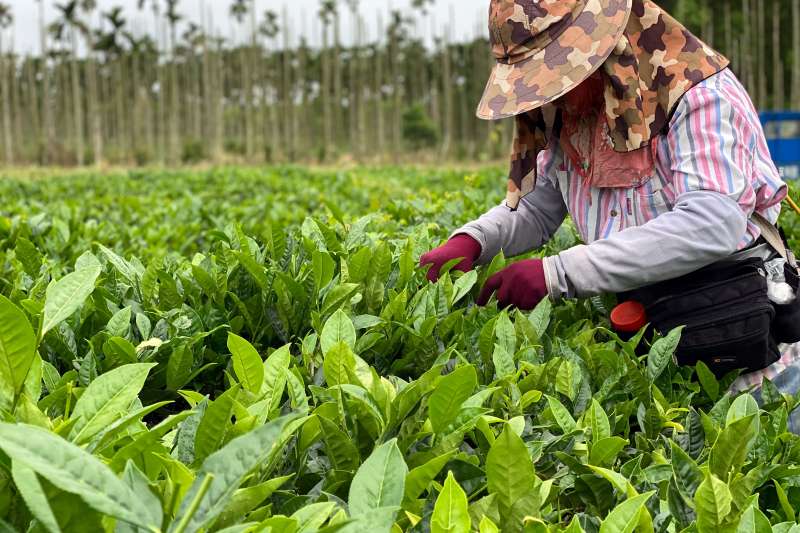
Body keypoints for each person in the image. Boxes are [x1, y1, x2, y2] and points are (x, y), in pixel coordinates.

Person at [419, 0, 800, 428]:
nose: (552, 95)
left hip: (744, 337)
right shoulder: (580, 114)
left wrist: (558, 273)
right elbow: (538, 209)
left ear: (606, 47)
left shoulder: (698, 95)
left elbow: (711, 223)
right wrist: (473, 240)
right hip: (652, 343)